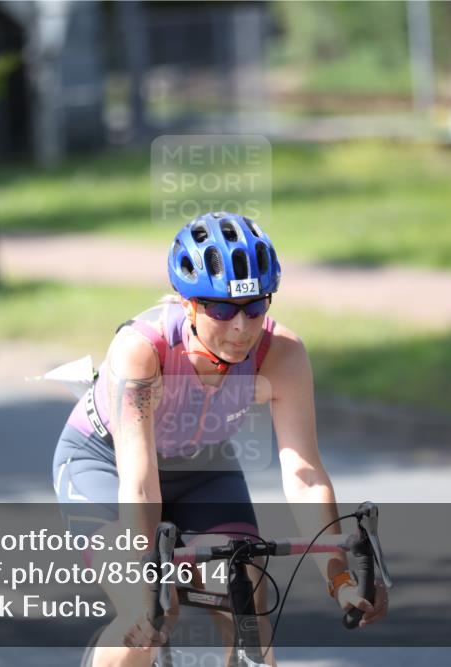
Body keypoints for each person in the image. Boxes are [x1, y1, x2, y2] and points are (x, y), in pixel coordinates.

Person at [52, 212, 388, 666]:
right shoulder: (142, 350)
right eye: (222, 309)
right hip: (106, 463)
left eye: (255, 308)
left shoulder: (282, 355)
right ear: (187, 304)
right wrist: (151, 577)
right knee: (150, 613)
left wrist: (341, 579)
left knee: (248, 598)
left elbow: (305, 475)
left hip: (200, 464)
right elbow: (140, 484)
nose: (241, 327)